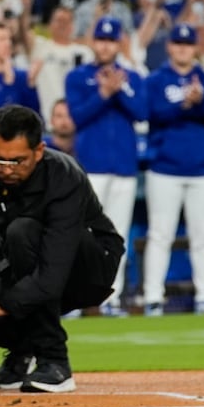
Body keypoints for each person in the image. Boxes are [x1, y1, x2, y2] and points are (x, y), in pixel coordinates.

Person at [0, 104, 124, 394]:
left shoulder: (63, 176)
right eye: (0, 160)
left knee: (22, 234)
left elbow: (52, 274)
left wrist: (1, 305)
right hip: (30, 261)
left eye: (17, 161)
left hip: (91, 263)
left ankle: (55, 362)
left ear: (39, 151)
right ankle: (21, 354)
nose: (6, 169)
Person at [64, 18, 145, 314]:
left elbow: (142, 112)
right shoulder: (78, 76)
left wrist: (119, 89)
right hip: (92, 167)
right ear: (92, 42)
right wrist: (104, 93)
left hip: (123, 167)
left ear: (119, 43)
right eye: (101, 40)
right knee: (80, 234)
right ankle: (72, 299)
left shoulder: (132, 78)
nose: (106, 45)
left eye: (111, 40)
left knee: (116, 235)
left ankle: (111, 299)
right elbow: (77, 116)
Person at [142, 23, 204, 315]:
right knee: (160, 234)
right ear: (170, 47)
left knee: (202, 237)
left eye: (188, 44)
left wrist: (199, 103)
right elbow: (150, 112)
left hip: (202, 168)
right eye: (178, 44)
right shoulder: (156, 80)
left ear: (195, 48)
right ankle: (152, 297)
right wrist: (184, 105)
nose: (183, 49)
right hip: (165, 167)